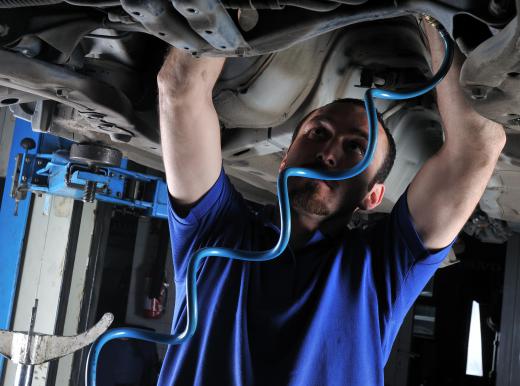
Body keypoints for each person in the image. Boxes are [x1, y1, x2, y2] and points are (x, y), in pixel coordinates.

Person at [156, 21, 506, 386]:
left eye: (356, 146)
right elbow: (180, 91)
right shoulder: (216, 233)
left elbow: (476, 146)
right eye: (318, 133)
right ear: (284, 160)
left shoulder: (381, 270)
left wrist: (432, 17)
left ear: (372, 196)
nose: (327, 153)